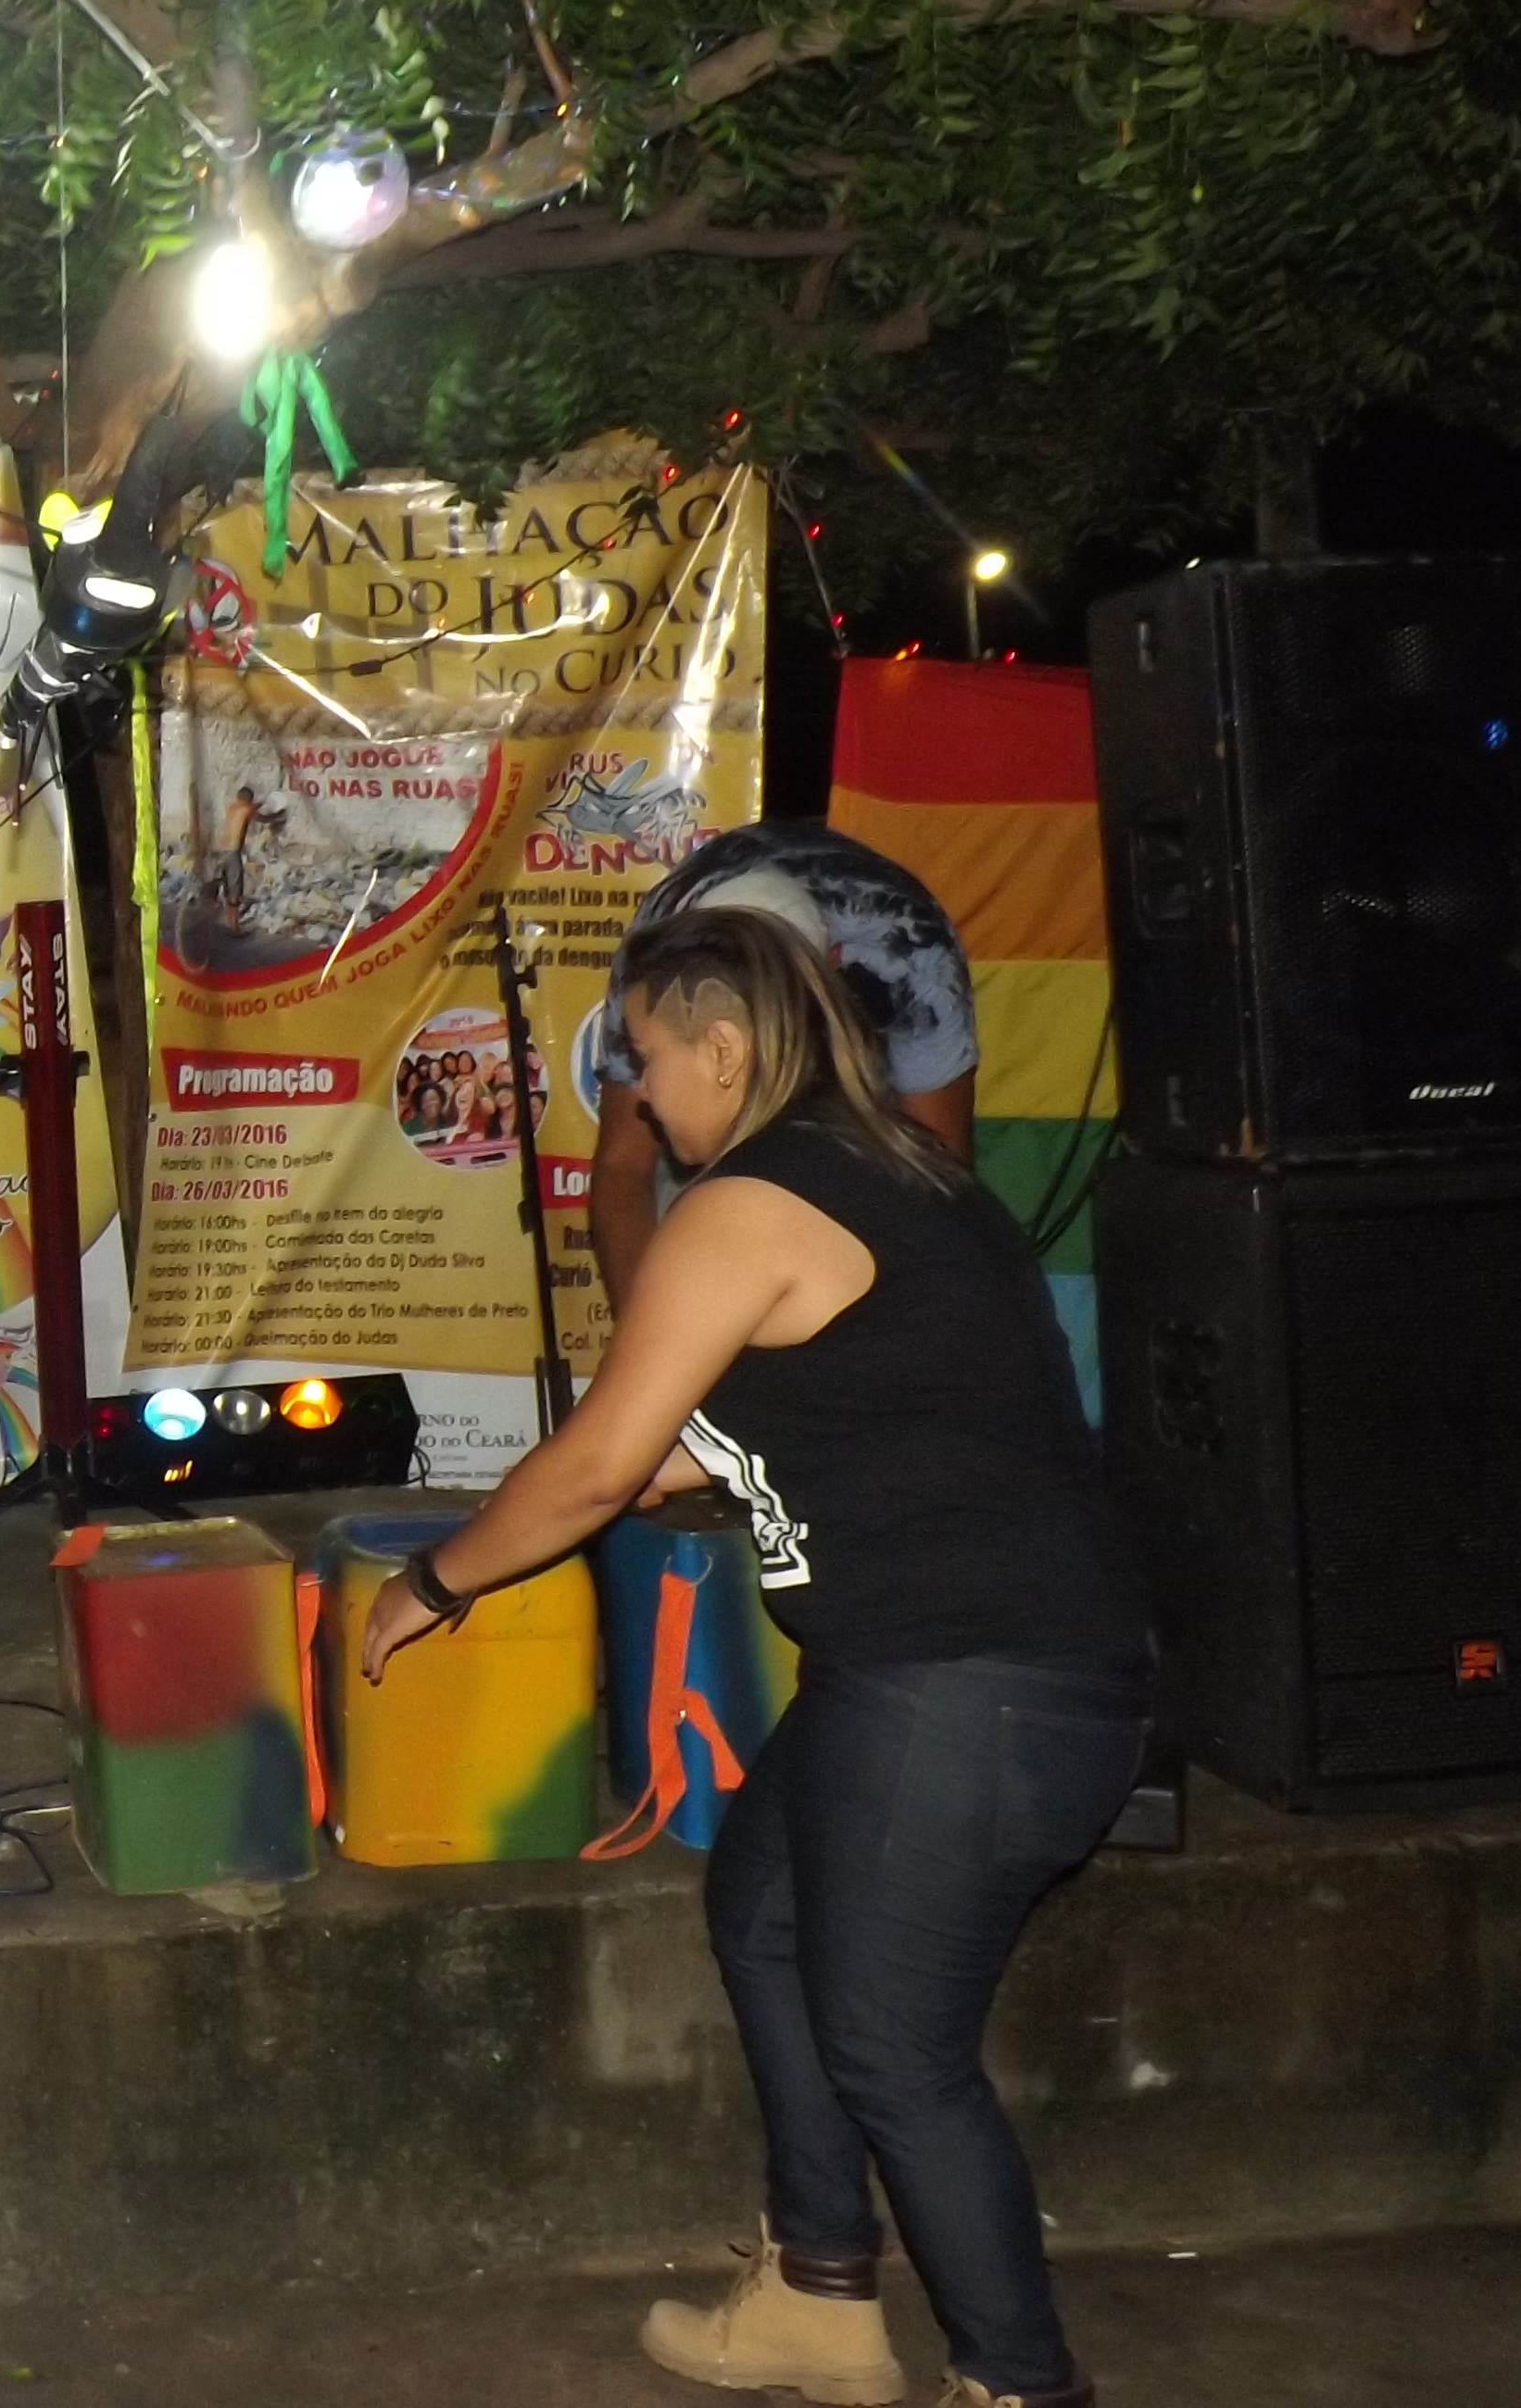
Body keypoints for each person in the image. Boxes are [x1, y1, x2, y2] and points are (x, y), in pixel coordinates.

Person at [357, 907, 1149, 2408]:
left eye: (648, 1059)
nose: (642, 1096)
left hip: (966, 1690)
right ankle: (817, 2294)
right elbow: (686, 1454)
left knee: (894, 2054)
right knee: (766, 1910)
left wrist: (435, 1580)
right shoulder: (895, 1175)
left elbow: (602, 1464)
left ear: (722, 1047)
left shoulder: (754, 1204)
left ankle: (1020, 2383)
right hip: (953, 1674)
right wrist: (553, 1496)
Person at [587, 821, 978, 1307]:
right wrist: (649, 1325)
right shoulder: (657, 958)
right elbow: (624, 1168)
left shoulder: (911, 957)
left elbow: (941, 1180)